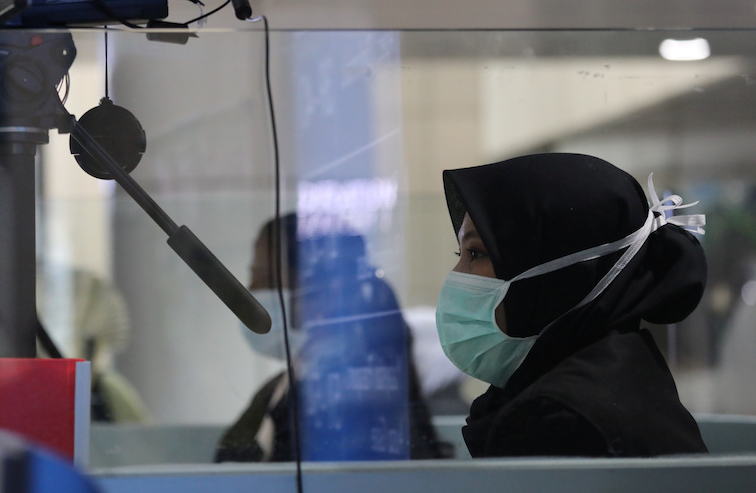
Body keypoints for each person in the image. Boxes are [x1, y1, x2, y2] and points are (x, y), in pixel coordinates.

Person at [437, 152, 709, 457]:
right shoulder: (617, 366)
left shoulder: (556, 418)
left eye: (475, 254)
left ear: (561, 275)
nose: (457, 276)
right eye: (458, 254)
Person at [216, 213, 445, 462]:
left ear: (321, 292)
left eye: (262, 277)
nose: (252, 290)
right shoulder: (285, 388)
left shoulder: (343, 402)